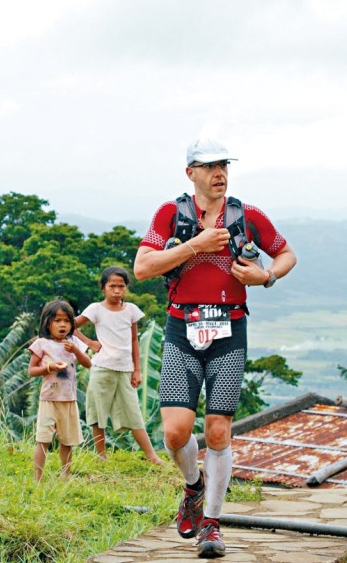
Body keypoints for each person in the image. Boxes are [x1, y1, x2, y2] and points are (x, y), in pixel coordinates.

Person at [133, 137, 296, 559]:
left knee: (218, 430)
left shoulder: (247, 215)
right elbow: (142, 267)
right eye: (208, 166)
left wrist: (267, 277)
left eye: (223, 165)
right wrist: (195, 245)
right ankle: (193, 487)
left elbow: (286, 254)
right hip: (181, 326)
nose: (218, 173)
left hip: (230, 328)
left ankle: (212, 524)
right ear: (191, 173)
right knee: (175, 431)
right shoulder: (171, 214)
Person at [73, 266, 166, 465]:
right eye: (112, 286)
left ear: (126, 288)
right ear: (103, 288)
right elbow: (70, 325)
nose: (117, 290)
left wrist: (137, 370)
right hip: (102, 368)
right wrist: (89, 343)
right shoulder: (95, 309)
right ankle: (101, 455)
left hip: (125, 370)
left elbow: (134, 340)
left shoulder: (131, 310)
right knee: (98, 413)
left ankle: (152, 456)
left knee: (133, 413)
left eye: (121, 286)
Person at [28, 299, 92, 481]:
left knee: (67, 441)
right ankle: (37, 478)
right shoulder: (41, 344)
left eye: (66, 320)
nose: (62, 324)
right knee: (43, 440)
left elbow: (88, 363)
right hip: (48, 399)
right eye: (57, 320)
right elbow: (31, 370)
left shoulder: (74, 342)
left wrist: (76, 351)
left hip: (69, 399)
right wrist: (49, 368)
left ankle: (65, 476)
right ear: (47, 323)